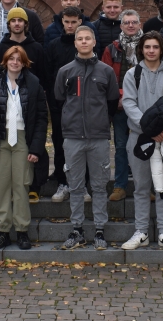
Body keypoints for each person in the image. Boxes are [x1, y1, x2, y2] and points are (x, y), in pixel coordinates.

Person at [121, 32, 163, 252]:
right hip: (139, 137)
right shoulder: (133, 74)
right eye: (147, 47)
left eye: (155, 47)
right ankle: (141, 232)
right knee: (141, 187)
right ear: (142, 49)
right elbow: (129, 104)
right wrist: (149, 128)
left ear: (161, 49)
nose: (151, 50)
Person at [54, 26, 119, 250]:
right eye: (79, 39)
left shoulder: (106, 71)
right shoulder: (65, 71)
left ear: (93, 42)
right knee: (75, 186)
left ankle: (100, 230)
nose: (83, 42)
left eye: (87, 38)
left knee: (100, 186)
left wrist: (101, 121)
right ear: (75, 43)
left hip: (99, 137)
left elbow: (111, 101)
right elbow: (60, 99)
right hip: (73, 137)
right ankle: (77, 230)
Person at [0, 46, 48, 250]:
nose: (15, 62)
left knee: (21, 184)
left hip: (22, 139)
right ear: (5, 61)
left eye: (19, 59)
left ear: (24, 62)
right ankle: (2, 231)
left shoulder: (34, 84)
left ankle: (22, 230)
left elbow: (42, 118)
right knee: (2, 185)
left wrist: (36, 148)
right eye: (11, 59)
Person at [45, 6, 87, 203]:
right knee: (60, 142)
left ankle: (82, 184)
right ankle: (63, 182)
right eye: (67, 22)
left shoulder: (86, 44)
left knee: (83, 143)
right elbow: (49, 74)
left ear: (80, 21)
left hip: (84, 104)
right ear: (62, 22)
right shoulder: (53, 45)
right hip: (59, 103)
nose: (70, 25)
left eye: (74, 22)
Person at [101, 9, 143, 202]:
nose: (131, 25)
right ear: (121, 26)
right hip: (120, 105)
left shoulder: (148, 46)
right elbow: (107, 77)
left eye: (134, 22)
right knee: (120, 146)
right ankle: (120, 185)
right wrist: (120, 96)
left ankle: (145, 185)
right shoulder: (112, 49)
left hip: (144, 106)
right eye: (127, 22)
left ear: (139, 24)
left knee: (144, 145)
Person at [0, 7, 47, 88]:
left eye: (20, 20)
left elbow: (43, 75)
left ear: (25, 24)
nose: (17, 23)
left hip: (32, 94)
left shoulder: (36, 48)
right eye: (13, 20)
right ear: (9, 24)